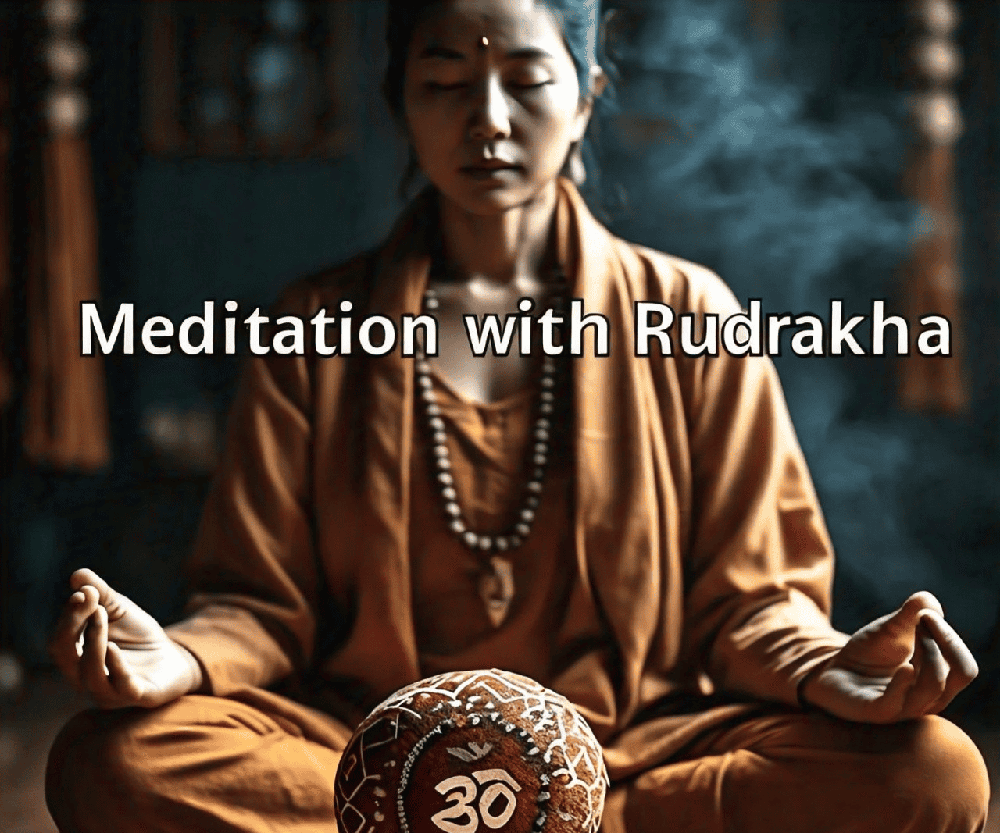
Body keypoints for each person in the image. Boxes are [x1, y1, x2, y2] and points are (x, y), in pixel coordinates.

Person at [45, 1, 990, 831]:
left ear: (586, 98)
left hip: (632, 756)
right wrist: (178, 658)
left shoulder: (691, 314)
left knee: (934, 771)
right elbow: (261, 606)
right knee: (111, 761)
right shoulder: (316, 325)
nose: (487, 120)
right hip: (371, 756)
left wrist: (829, 669)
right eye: (445, 80)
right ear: (400, 106)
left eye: (527, 80)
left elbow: (752, 601)